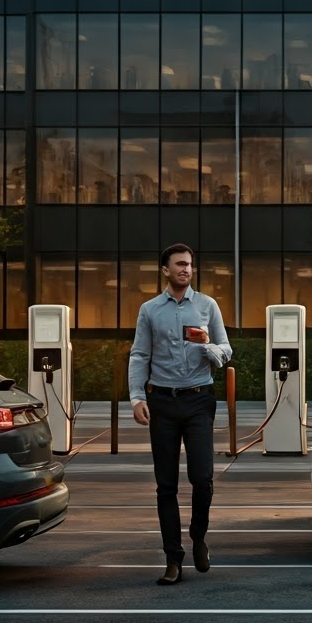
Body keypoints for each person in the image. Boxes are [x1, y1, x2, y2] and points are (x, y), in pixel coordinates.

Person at [128, 244, 232, 585]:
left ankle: (198, 537)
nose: (186, 269)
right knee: (165, 485)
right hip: (163, 403)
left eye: (189, 264)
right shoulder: (149, 310)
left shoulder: (207, 305)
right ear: (165, 270)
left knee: (202, 479)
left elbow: (226, 349)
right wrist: (136, 398)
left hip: (199, 399)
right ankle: (173, 558)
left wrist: (207, 348)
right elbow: (140, 355)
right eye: (179, 264)